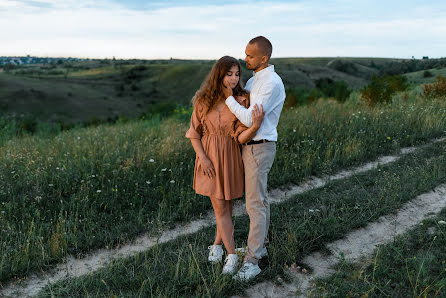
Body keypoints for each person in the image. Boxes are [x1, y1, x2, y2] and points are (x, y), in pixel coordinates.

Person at [186, 56, 265, 275]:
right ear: (219, 74)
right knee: (220, 208)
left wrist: (255, 125)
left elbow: (240, 136)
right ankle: (231, 255)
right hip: (209, 157)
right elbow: (194, 133)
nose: (233, 78)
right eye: (228, 74)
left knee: (227, 207)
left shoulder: (242, 99)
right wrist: (203, 158)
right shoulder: (203, 99)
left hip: (231, 156)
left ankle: (218, 246)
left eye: (237, 74)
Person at [223, 36, 286, 280]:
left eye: (249, 55)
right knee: (259, 200)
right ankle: (260, 244)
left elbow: (249, 119)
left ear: (264, 58)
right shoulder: (254, 80)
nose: (245, 58)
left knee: (255, 204)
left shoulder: (271, 82)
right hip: (251, 145)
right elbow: (247, 113)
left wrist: (227, 97)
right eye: (245, 54)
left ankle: (253, 260)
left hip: (260, 147)